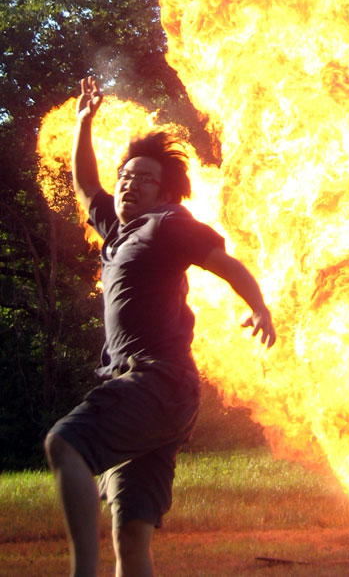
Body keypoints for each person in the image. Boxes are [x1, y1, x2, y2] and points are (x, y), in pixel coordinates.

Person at [44, 76, 276, 577]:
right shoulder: (116, 229)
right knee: (130, 536)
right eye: (125, 175)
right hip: (141, 387)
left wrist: (259, 306)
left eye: (143, 179)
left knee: (65, 442)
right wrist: (83, 123)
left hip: (158, 381)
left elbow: (225, 264)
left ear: (164, 192)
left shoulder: (167, 224)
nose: (129, 183)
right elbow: (87, 186)